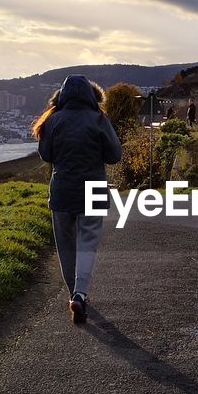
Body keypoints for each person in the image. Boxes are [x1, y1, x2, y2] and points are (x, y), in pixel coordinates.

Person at [33, 75, 122, 325]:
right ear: (92, 96)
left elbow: (45, 154)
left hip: (62, 189)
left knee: (66, 246)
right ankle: (80, 295)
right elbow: (115, 155)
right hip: (93, 187)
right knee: (87, 244)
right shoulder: (99, 119)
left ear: (61, 96)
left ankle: (74, 294)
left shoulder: (53, 120)